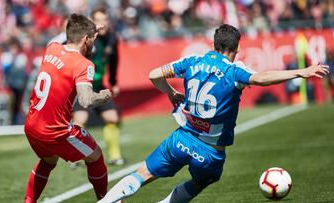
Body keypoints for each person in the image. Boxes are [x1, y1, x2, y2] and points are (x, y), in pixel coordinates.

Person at [98, 24, 329, 203]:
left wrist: (170, 93)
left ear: (214, 43)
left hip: (181, 139)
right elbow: (260, 78)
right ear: (236, 49)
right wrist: (301, 72)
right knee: (202, 182)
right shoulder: (233, 70)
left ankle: (107, 200)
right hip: (210, 153)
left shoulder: (193, 60)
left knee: (144, 173)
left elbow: (154, 74)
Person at [24, 14, 112, 203]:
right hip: (55, 131)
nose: (93, 46)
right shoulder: (83, 64)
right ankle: (105, 200)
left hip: (31, 126)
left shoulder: (52, 48)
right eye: (92, 40)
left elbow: (64, 35)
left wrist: (89, 29)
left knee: (48, 161)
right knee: (95, 156)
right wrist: (104, 96)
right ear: (86, 39)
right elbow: (86, 100)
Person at [72, 7, 124, 166]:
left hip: (100, 85)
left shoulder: (113, 39)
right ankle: (76, 157)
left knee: (113, 118)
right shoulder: (85, 38)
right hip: (82, 87)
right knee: (80, 120)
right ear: (93, 22)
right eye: (99, 20)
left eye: (105, 19)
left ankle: (115, 156)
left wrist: (114, 83)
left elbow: (114, 62)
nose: (103, 23)